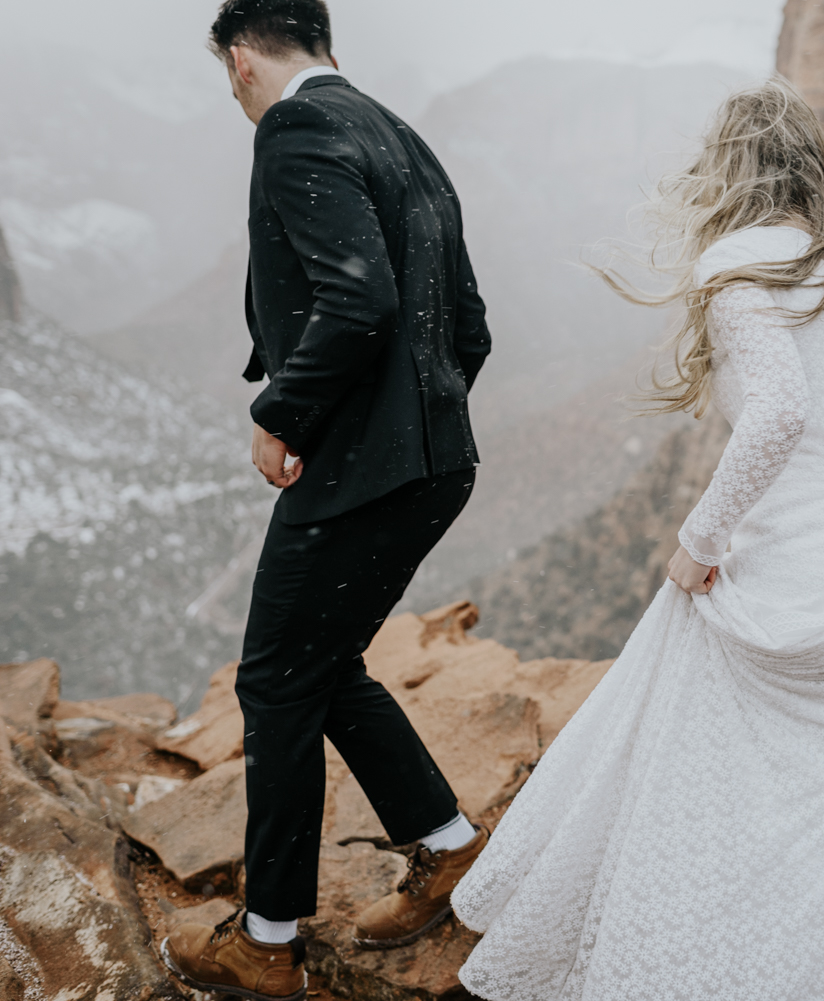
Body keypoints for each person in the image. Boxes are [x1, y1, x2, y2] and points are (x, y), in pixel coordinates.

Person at [451, 79, 824, 1000]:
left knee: (681, 663)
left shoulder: (740, 270)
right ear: (811, 166)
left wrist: (698, 543)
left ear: (729, 172)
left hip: (806, 594)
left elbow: (777, 413)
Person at [161, 2, 492, 997]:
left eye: (230, 74)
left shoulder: (296, 130)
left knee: (272, 676)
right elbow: (466, 326)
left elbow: (360, 299)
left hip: (363, 467)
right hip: (435, 461)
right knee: (322, 658)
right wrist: (414, 420)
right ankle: (449, 845)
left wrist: (288, 417)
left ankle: (266, 940)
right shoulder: (397, 129)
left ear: (241, 59)